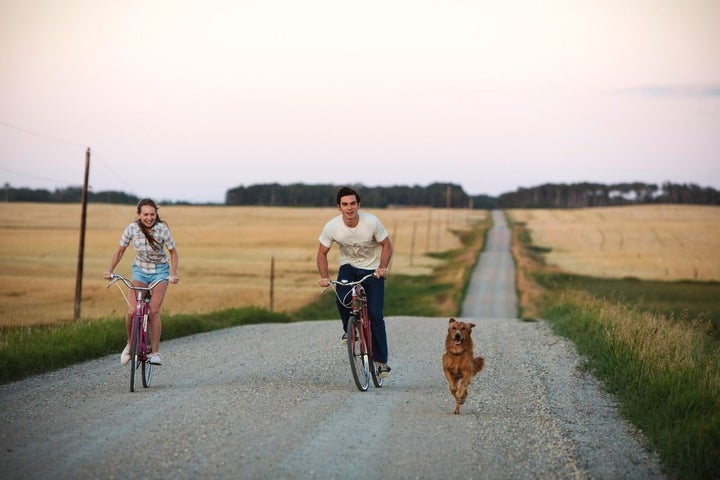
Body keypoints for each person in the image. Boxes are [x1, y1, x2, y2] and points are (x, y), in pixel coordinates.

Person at [317, 186, 394, 377]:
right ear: (339, 207)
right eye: (345, 204)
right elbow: (321, 252)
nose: (349, 208)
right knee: (342, 297)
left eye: (352, 203)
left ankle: (381, 361)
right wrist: (324, 277)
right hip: (348, 267)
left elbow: (387, 245)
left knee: (375, 315)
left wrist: (382, 267)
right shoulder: (332, 226)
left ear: (358, 205)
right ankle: (350, 330)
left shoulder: (371, 222)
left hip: (372, 270)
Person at [104, 198, 179, 366]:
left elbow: (173, 253)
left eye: (152, 214)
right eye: (145, 214)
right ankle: (130, 345)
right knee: (132, 311)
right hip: (140, 271)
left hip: (160, 271)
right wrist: (110, 270)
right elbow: (120, 250)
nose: (149, 218)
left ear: (156, 215)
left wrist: (173, 274)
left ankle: (155, 353)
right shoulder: (131, 229)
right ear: (139, 215)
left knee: (153, 310)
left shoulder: (162, 229)